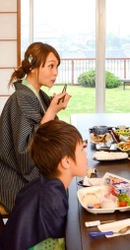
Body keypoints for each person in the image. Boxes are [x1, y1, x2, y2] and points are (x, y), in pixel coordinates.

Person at [0, 42, 71, 213]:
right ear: (33, 68)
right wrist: (52, 111)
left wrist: (53, 110)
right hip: (17, 181)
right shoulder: (21, 98)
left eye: (57, 67)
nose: (55, 72)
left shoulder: (39, 95)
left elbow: (49, 132)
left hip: (28, 176)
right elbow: (26, 151)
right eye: (51, 66)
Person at [0, 120, 87, 250]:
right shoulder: (51, 200)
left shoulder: (42, 185)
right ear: (66, 161)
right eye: (81, 150)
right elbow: (64, 244)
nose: (86, 155)